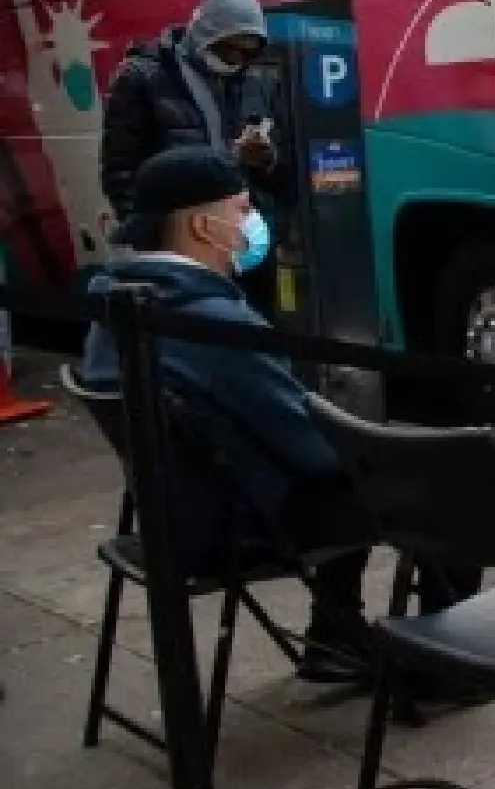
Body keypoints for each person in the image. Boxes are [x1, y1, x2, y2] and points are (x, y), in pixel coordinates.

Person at [80, 147, 376, 682]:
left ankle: (339, 640)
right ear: (201, 225)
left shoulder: (114, 308)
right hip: (236, 524)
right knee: (428, 487)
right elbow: (311, 450)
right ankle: (431, 664)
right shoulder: (212, 322)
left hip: (170, 515)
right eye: (241, 209)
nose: (251, 222)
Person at [100, 0, 288, 317]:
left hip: (241, 245)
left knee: (254, 334)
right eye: (229, 49)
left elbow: (282, 176)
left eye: (246, 53)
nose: (235, 60)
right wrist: (158, 242)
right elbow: (119, 172)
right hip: (184, 249)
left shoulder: (253, 84)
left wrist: (265, 160)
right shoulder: (143, 77)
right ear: (206, 34)